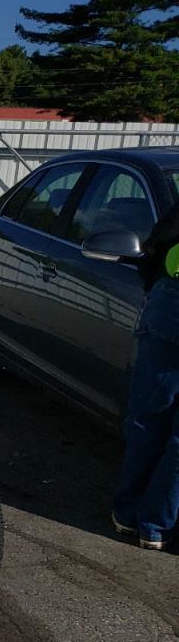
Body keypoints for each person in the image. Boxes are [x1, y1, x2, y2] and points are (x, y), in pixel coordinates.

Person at [113, 206, 179, 551]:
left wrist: (154, 286)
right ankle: (154, 526)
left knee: (147, 420)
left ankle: (129, 513)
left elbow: (156, 246)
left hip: (170, 305)